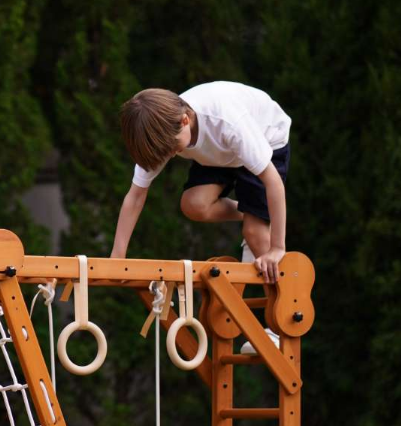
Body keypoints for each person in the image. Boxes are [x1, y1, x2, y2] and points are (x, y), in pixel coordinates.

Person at [112, 82, 291, 288]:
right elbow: (135, 196)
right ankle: (252, 212)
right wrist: (118, 256)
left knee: (254, 233)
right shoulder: (159, 133)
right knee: (194, 205)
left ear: (185, 120)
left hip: (265, 137)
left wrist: (277, 248)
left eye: (173, 148)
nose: (170, 155)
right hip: (219, 152)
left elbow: (273, 183)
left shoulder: (226, 122)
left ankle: (283, 302)